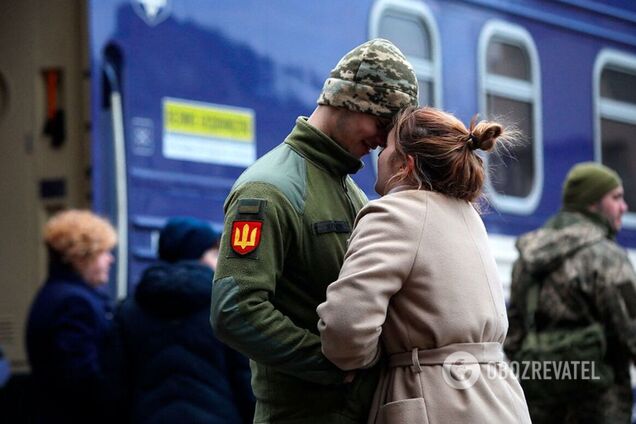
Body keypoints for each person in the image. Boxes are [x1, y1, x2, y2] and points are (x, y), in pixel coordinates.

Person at [210, 38, 419, 423]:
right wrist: (333, 365)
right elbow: (236, 309)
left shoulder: (350, 190)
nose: (381, 141)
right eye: (382, 122)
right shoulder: (268, 189)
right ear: (350, 99)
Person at [317, 106, 532, 424]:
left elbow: (346, 328)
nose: (378, 152)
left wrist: (369, 358)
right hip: (500, 399)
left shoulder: (395, 213)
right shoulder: (468, 215)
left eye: (387, 146)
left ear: (406, 164)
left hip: (433, 400)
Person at [504, 162, 636, 423]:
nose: (624, 207)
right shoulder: (607, 257)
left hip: (538, 403)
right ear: (591, 203)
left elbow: (513, 333)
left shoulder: (528, 257)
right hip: (598, 406)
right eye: (616, 198)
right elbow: (631, 332)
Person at [104, 217, 255, 423]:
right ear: (196, 255)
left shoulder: (130, 309)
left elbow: (115, 386)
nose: (219, 262)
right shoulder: (225, 305)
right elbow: (245, 379)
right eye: (213, 253)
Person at [26, 209, 117, 423]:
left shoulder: (53, 294)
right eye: (103, 252)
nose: (110, 259)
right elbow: (81, 377)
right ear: (81, 256)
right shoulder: (75, 304)